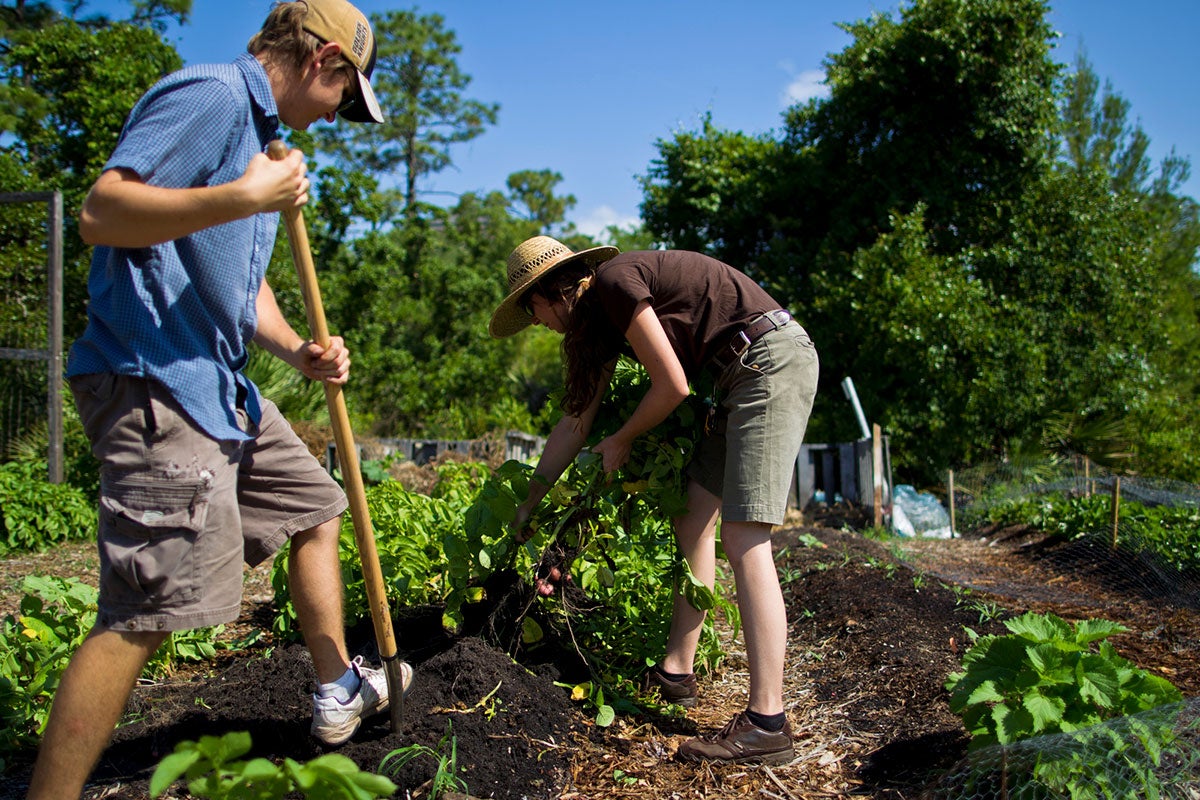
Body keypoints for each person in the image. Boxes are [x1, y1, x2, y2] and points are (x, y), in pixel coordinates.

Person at [25, 2, 409, 797]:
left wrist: (295, 348)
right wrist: (246, 195)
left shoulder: (259, 141)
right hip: (156, 379)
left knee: (314, 502)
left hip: (218, 379)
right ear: (323, 61)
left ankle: (337, 688)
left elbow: (235, 278)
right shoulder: (211, 97)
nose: (339, 113)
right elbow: (103, 212)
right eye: (346, 91)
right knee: (147, 610)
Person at [489, 235, 819, 766]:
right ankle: (676, 672)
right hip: (732, 378)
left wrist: (622, 440)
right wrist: (532, 498)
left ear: (550, 295)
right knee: (693, 518)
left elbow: (671, 386)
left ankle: (767, 723)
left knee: (745, 536)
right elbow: (576, 423)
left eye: (534, 314)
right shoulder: (599, 322)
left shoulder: (617, 281)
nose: (540, 326)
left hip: (767, 361)